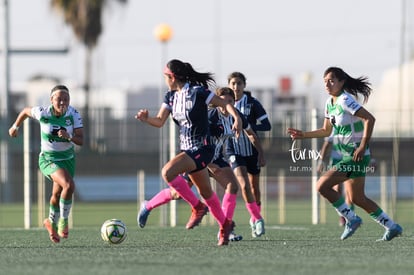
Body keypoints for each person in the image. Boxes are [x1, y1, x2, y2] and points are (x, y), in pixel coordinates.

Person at [287, 67, 402, 241]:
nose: (327, 83)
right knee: (358, 198)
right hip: (348, 155)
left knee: (322, 186)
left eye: (331, 80)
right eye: (325, 80)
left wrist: (362, 146)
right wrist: (304, 135)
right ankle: (391, 226)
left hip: (356, 155)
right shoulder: (329, 103)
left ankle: (352, 219)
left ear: (341, 82)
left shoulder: (345, 100)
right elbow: (326, 131)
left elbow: (369, 119)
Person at [135, 59, 242, 246]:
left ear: (173, 76)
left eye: (166, 76)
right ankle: (224, 226)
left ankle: (197, 207)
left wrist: (237, 118)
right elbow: (160, 121)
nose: (165, 79)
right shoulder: (170, 97)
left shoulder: (198, 92)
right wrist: (146, 119)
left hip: (203, 148)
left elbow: (224, 104)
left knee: (167, 172)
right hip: (188, 150)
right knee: (207, 192)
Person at [137, 87, 265, 242]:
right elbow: (199, 142)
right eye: (223, 101)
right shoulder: (210, 117)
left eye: (230, 101)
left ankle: (225, 229)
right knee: (176, 194)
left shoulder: (237, 117)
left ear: (234, 102)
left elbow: (251, 133)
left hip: (216, 158)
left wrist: (260, 152)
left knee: (233, 186)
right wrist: (209, 164)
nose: (226, 104)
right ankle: (148, 205)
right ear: (217, 103)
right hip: (198, 158)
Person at [9, 85, 84, 243]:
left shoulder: (74, 114)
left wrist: (68, 136)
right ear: (51, 100)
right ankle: (63, 221)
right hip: (48, 159)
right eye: (59, 99)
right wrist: (15, 127)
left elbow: (81, 140)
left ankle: (50, 222)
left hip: (68, 159)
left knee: (57, 194)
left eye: (66, 99)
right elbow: (24, 111)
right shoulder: (43, 112)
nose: (63, 102)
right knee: (69, 185)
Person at [227, 72, 271, 237]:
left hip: (252, 150)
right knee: (243, 185)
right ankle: (255, 218)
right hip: (234, 151)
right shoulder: (224, 103)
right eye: (233, 83)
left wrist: (248, 127)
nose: (235, 87)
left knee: (254, 188)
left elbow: (267, 125)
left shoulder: (252, 103)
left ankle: (254, 218)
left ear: (244, 85)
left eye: (239, 83)